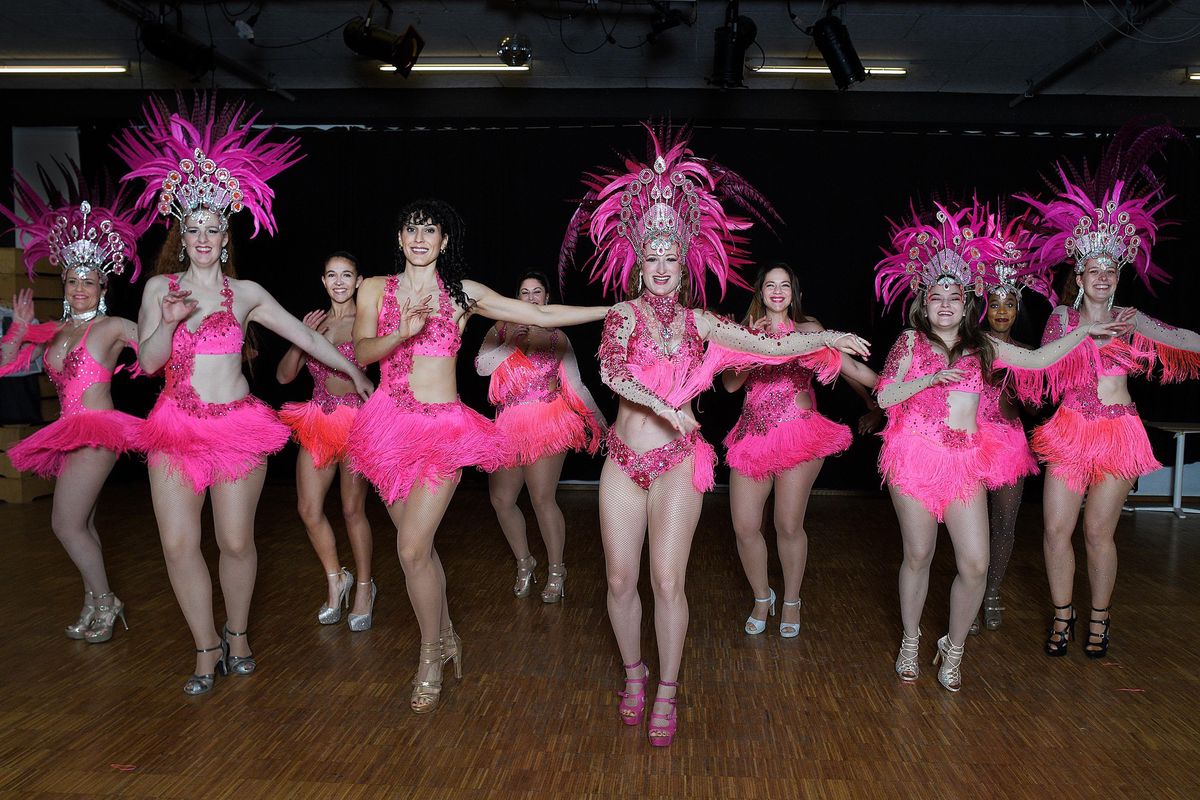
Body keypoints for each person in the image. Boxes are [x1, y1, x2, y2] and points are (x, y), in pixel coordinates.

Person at [561, 124, 871, 745]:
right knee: (620, 579)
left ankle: (668, 689)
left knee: (667, 581)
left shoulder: (703, 321)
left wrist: (829, 338)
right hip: (624, 460)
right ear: (636, 261)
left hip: (678, 463)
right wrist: (664, 404)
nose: (661, 267)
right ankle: (634, 673)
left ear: (686, 261)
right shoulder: (621, 317)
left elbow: (767, 342)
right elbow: (613, 372)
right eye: (650, 257)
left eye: (671, 256)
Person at [115, 96, 373, 695]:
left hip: (236, 428)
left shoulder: (248, 291)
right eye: (193, 228)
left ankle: (237, 634)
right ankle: (206, 648)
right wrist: (171, 320)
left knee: (234, 540)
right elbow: (149, 362)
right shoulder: (160, 287)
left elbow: (307, 334)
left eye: (213, 227)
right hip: (175, 425)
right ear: (182, 233)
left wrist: (356, 373)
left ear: (225, 235)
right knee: (179, 545)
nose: (203, 237)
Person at [348, 198, 608, 715]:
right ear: (400, 240)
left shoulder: (463, 295)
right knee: (413, 546)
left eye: (431, 230)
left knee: (411, 550)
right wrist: (401, 332)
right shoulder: (376, 289)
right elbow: (361, 352)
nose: (420, 237)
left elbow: (538, 313)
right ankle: (446, 635)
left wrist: (614, 309)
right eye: (411, 229)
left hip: (443, 429)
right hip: (386, 426)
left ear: (445, 243)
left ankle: (429, 656)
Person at [873, 202, 1130, 691]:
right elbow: (885, 395)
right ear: (924, 303)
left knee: (975, 563)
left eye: (954, 296)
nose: (945, 304)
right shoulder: (909, 343)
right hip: (914, 456)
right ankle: (910, 640)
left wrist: (1084, 333)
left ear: (967, 303)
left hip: (964, 461)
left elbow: (1038, 361)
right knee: (919, 555)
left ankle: (954, 648)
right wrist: (931, 381)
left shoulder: (983, 346)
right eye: (936, 297)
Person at [1018, 147, 1200, 659]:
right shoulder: (1061, 319)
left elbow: (1182, 338)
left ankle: (1099, 620)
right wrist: (1083, 335)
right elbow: (1042, 365)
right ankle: (1061, 616)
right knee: (1056, 529)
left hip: (1120, 431)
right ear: (1078, 274)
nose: (1102, 277)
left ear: (1118, 274)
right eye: (1093, 269)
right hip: (1071, 428)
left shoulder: (1129, 317)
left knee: (1099, 533)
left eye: (1111, 270)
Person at [0, 176, 146, 644]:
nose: (80, 287)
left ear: (103, 282)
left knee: (63, 523)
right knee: (81, 523)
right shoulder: (54, 330)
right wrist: (19, 329)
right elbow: (6, 367)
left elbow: (162, 353)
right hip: (65, 432)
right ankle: (92, 599)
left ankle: (106, 602)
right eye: (72, 279)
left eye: (88, 280)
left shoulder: (112, 326)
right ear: (62, 282)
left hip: (97, 432)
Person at [721, 263, 878, 638]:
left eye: (785, 285)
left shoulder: (810, 330)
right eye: (770, 285)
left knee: (788, 524)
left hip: (800, 432)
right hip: (752, 437)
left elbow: (844, 367)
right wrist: (750, 346)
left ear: (794, 292)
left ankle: (791, 599)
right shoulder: (742, 331)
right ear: (760, 292)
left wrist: (875, 402)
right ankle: (763, 597)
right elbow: (729, 385)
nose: (777, 291)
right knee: (745, 527)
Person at [474, 270, 606, 603]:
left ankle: (557, 569)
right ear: (514, 300)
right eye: (524, 293)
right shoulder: (499, 329)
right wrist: (508, 344)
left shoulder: (558, 337)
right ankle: (524, 561)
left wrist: (602, 424)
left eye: (536, 293)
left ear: (546, 299)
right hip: (508, 423)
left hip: (547, 419)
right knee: (501, 501)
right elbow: (481, 367)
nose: (530, 298)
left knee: (541, 500)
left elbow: (576, 385)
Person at [277, 251, 376, 628]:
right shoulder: (314, 323)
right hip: (318, 419)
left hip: (356, 422)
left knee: (353, 510)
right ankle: (337, 579)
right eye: (331, 275)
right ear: (323, 281)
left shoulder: (365, 321)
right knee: (308, 508)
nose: (338, 282)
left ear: (357, 281)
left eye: (346, 275)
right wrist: (303, 339)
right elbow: (285, 377)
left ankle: (365, 588)